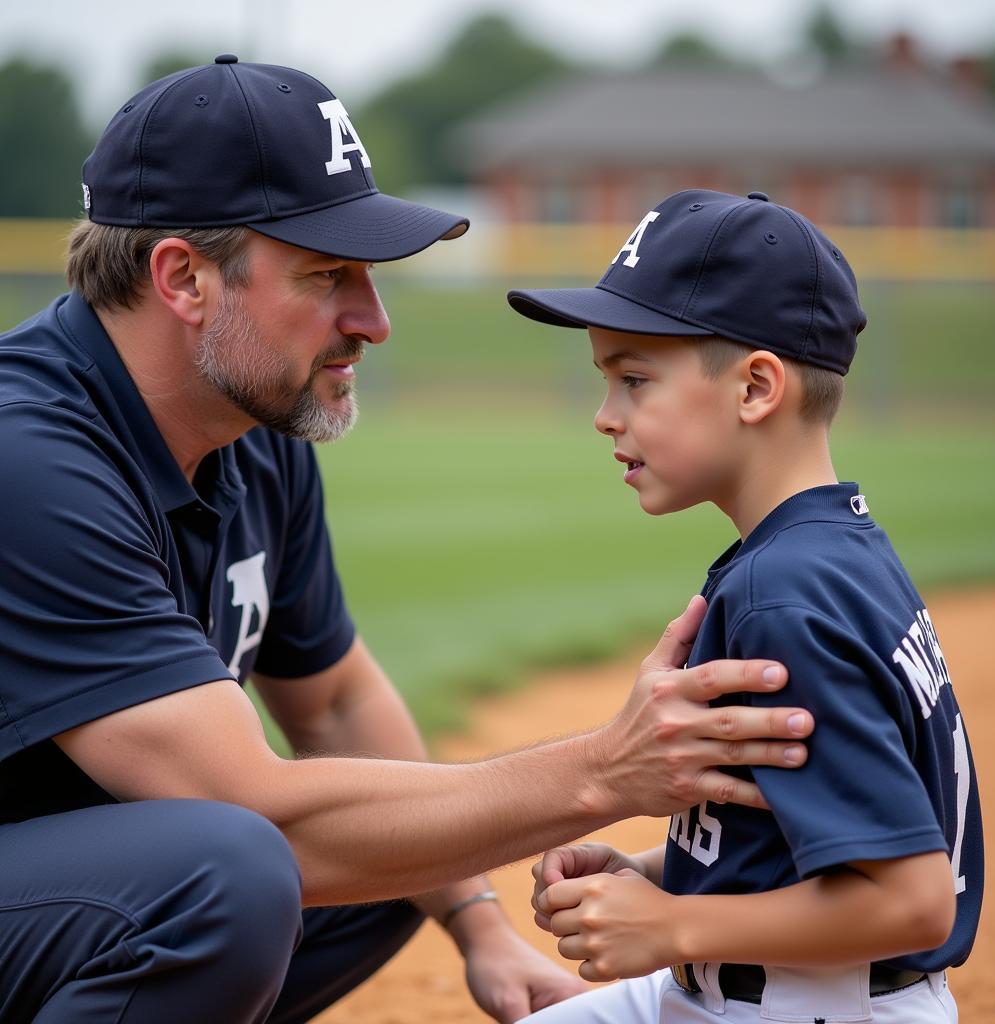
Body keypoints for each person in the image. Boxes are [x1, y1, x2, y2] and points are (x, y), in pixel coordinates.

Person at [0, 60, 819, 1024]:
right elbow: (249, 807)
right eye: (326, 274)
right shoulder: (29, 457)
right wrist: (607, 769)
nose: (374, 321)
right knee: (234, 869)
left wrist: (477, 925)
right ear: (184, 277)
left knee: (406, 856)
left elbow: (337, 698)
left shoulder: (252, 432)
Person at [508, 188, 983, 1024]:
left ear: (757, 387)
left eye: (634, 379)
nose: (603, 415)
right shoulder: (834, 546)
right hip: (761, 987)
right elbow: (791, 835)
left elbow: (914, 902)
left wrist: (675, 923)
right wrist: (655, 875)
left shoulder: (783, 597)